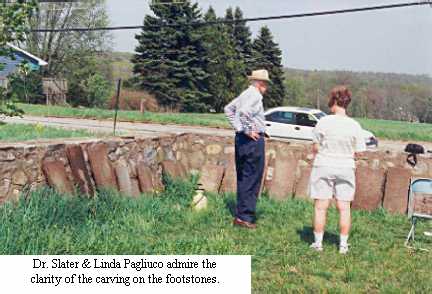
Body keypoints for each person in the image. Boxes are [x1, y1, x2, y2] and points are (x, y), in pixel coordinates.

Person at [309, 85, 366, 254]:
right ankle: (343, 245)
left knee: (321, 206)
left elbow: (315, 146)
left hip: (324, 164)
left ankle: (318, 243)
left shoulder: (323, 121)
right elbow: (360, 151)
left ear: (334, 101)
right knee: (344, 207)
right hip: (346, 166)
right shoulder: (355, 125)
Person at [224, 69, 270, 229]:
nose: (266, 87)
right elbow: (243, 113)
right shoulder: (256, 96)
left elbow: (228, 109)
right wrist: (249, 130)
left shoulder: (245, 94)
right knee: (252, 178)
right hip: (253, 141)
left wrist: (240, 129)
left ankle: (240, 215)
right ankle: (245, 217)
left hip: (241, 140)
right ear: (260, 83)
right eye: (265, 84)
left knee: (244, 177)